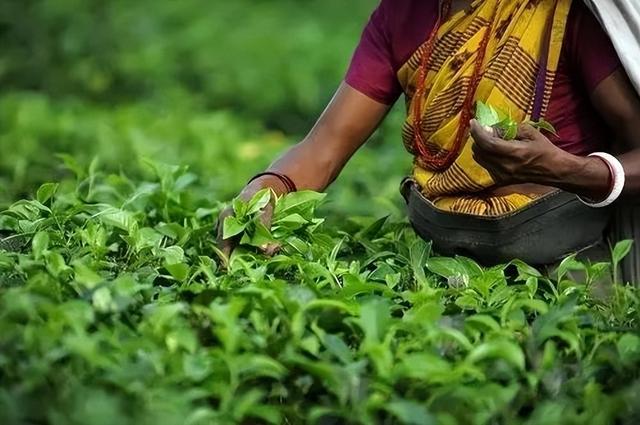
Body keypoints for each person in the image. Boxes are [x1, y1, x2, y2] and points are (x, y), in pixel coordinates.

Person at [218, 0, 640, 280]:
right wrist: (260, 194)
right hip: (441, 266)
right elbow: (323, 148)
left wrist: (569, 170)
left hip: (566, 272)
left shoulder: (559, 14)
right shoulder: (403, 15)